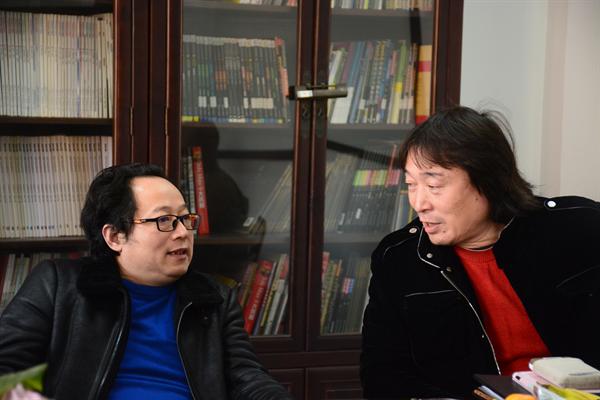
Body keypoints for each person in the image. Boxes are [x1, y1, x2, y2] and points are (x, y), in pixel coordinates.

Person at [360, 106, 600, 399]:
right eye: (411, 184)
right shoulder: (400, 259)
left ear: (488, 180)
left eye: (433, 185)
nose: (419, 203)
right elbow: (383, 378)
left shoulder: (580, 230)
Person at [0, 163, 292, 400]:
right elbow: (6, 368)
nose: (183, 232)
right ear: (115, 236)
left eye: (185, 219)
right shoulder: (58, 285)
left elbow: (247, 378)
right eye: (164, 221)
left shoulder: (214, 298)